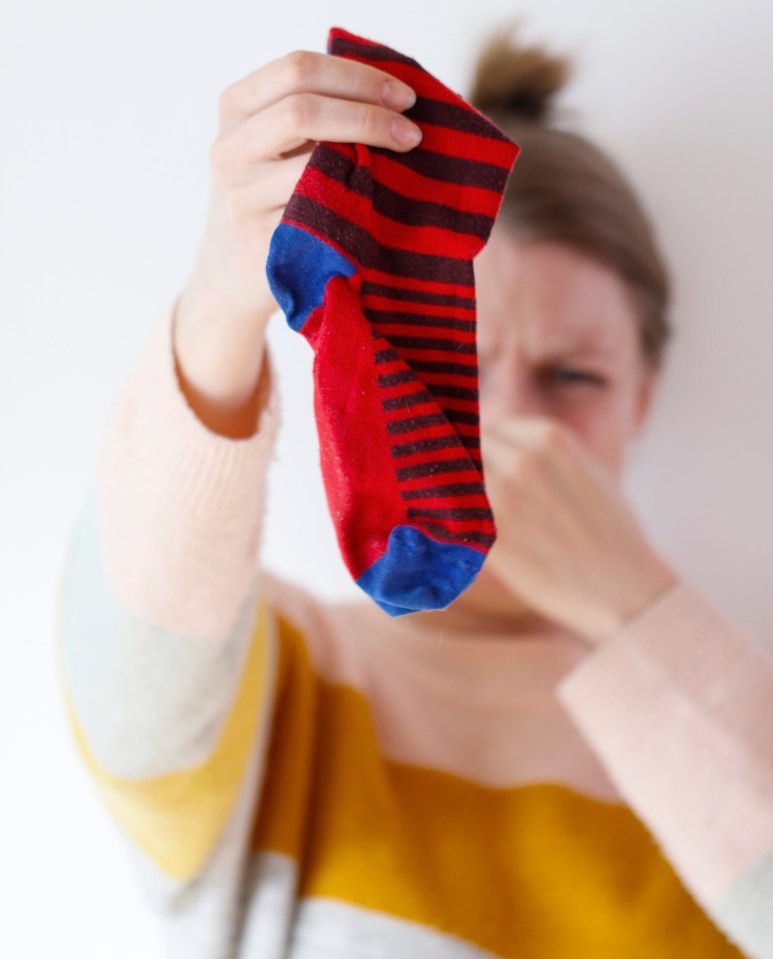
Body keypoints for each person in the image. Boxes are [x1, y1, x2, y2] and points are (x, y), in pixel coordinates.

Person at [55, 24, 773, 959]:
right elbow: (128, 699)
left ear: (643, 396)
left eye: (573, 379)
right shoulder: (292, 686)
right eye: (458, 368)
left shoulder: (727, 737)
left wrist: (635, 607)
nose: (511, 426)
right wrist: (221, 306)